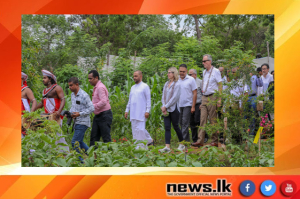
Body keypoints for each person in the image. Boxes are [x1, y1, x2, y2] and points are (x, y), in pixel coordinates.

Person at [192, 54, 222, 147]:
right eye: (203, 61)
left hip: (213, 96)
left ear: (210, 61)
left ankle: (214, 140)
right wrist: (202, 101)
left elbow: (220, 85)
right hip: (204, 97)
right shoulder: (204, 72)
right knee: (202, 119)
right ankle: (200, 140)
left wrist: (219, 99)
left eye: (204, 61)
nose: (203, 63)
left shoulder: (216, 71)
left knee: (212, 119)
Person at [34, 70, 69, 152]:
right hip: (47, 117)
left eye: (44, 78)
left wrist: (59, 112)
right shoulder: (44, 91)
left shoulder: (57, 88)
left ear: (50, 79)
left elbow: (63, 100)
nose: (43, 79)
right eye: (43, 78)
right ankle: (51, 154)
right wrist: (33, 110)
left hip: (56, 116)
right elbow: (42, 103)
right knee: (49, 136)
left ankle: (66, 154)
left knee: (58, 136)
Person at [68, 77, 94, 161]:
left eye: (71, 85)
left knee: (74, 142)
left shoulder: (84, 95)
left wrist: (80, 114)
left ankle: (80, 161)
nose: (70, 87)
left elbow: (91, 108)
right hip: (77, 122)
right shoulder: (72, 95)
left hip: (83, 122)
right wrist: (69, 113)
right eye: (69, 86)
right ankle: (93, 157)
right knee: (80, 142)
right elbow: (73, 107)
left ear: (77, 85)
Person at [125, 70, 153, 149]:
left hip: (141, 112)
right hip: (133, 113)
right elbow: (130, 100)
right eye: (133, 76)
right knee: (135, 131)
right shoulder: (132, 87)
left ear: (141, 76)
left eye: (136, 76)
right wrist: (127, 110)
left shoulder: (145, 86)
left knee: (140, 130)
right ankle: (137, 147)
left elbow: (148, 100)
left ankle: (142, 148)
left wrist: (147, 111)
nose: (134, 78)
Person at [159, 67, 184, 153]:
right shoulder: (166, 84)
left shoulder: (177, 84)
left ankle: (182, 144)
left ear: (174, 74)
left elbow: (175, 98)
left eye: (170, 72)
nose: (168, 74)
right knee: (167, 127)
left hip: (174, 109)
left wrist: (166, 106)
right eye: (168, 72)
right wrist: (163, 107)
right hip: (166, 109)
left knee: (176, 126)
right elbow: (163, 96)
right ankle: (167, 147)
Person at [88, 70, 113, 146]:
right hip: (98, 115)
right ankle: (93, 156)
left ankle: (110, 155)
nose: (89, 80)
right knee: (94, 137)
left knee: (106, 138)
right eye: (88, 79)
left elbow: (103, 101)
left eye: (91, 78)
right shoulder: (96, 87)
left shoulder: (100, 87)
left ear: (96, 78)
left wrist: (92, 106)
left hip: (104, 115)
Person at [178, 64, 197, 142]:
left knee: (185, 123)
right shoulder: (176, 79)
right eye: (180, 71)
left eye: (183, 71)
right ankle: (187, 141)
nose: (182, 73)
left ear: (186, 71)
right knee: (180, 123)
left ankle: (183, 142)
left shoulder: (191, 79)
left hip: (187, 104)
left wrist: (193, 106)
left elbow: (195, 93)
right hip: (178, 105)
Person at [188, 69, 206, 143]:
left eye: (190, 74)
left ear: (195, 75)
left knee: (198, 121)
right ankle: (194, 139)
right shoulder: (188, 82)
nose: (189, 76)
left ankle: (204, 136)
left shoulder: (200, 82)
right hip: (190, 104)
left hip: (198, 103)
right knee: (192, 122)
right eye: (188, 74)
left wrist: (202, 103)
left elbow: (203, 93)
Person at [246, 70, 263, 136]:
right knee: (245, 116)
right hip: (245, 97)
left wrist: (258, 76)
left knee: (252, 115)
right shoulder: (243, 77)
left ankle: (252, 134)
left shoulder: (255, 77)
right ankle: (244, 134)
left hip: (253, 96)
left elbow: (260, 84)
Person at [21, 72, 37, 138]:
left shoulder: (26, 89)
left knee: (26, 139)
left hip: (24, 117)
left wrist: (30, 114)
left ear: (22, 79)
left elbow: (34, 101)